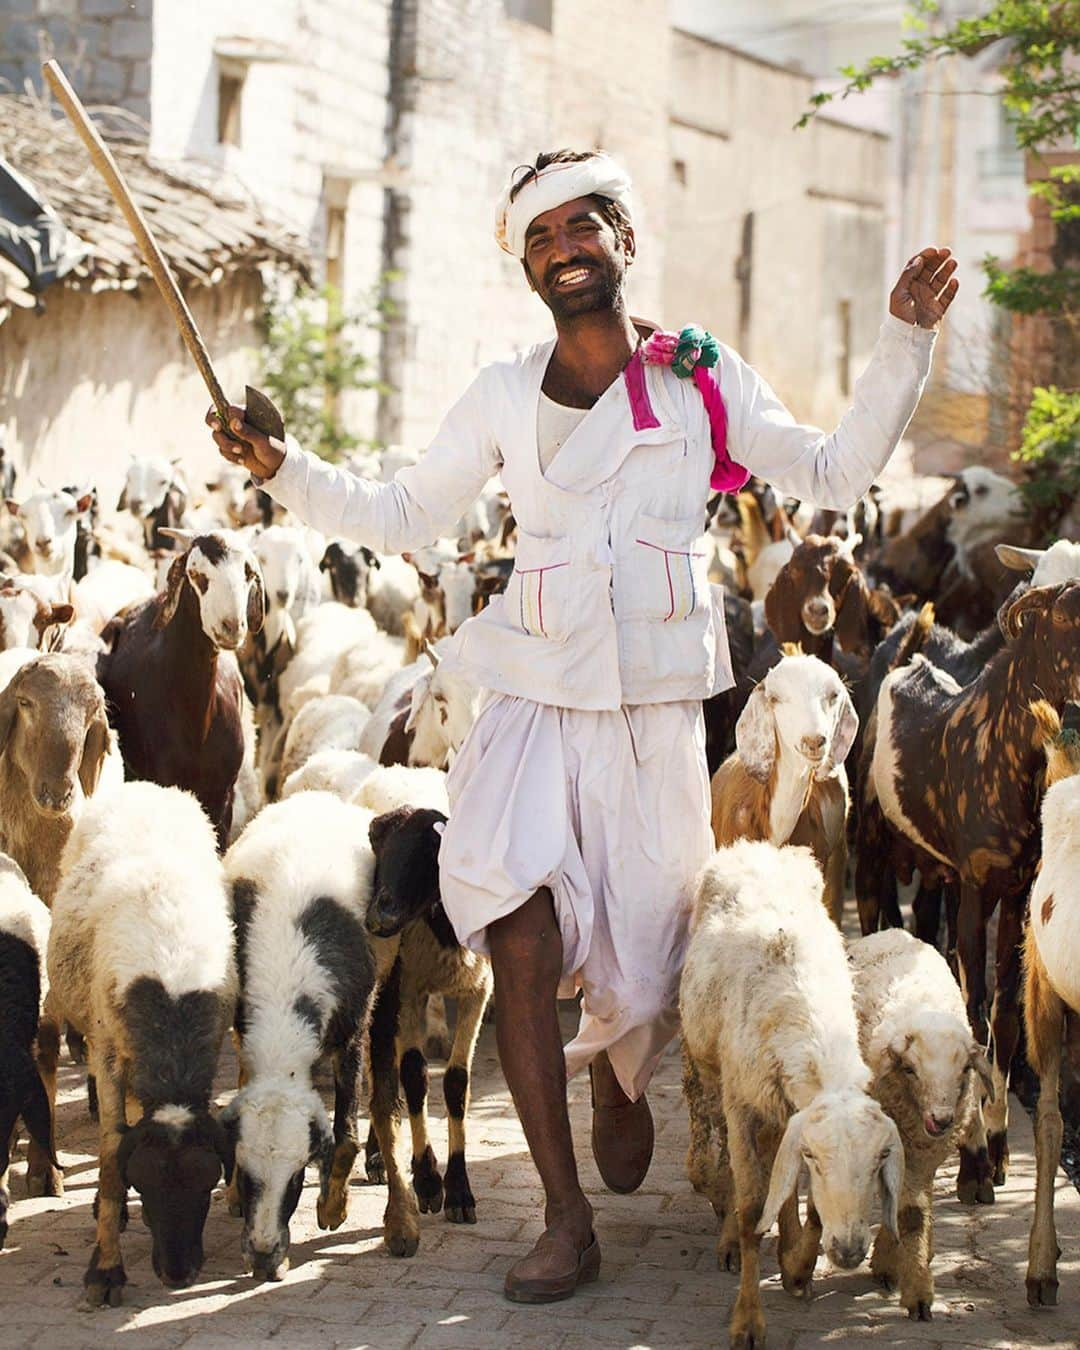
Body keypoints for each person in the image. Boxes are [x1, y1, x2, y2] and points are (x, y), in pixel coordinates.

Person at [209, 148, 957, 1304]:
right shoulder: (506, 393)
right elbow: (406, 512)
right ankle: (566, 1220)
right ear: (525, 262)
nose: (564, 247)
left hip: (654, 726)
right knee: (512, 928)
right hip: (529, 705)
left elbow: (832, 471)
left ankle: (619, 1062)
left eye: (585, 226)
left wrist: (904, 341)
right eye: (541, 234)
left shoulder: (698, 382)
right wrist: (283, 464)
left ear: (623, 239)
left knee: (649, 980)